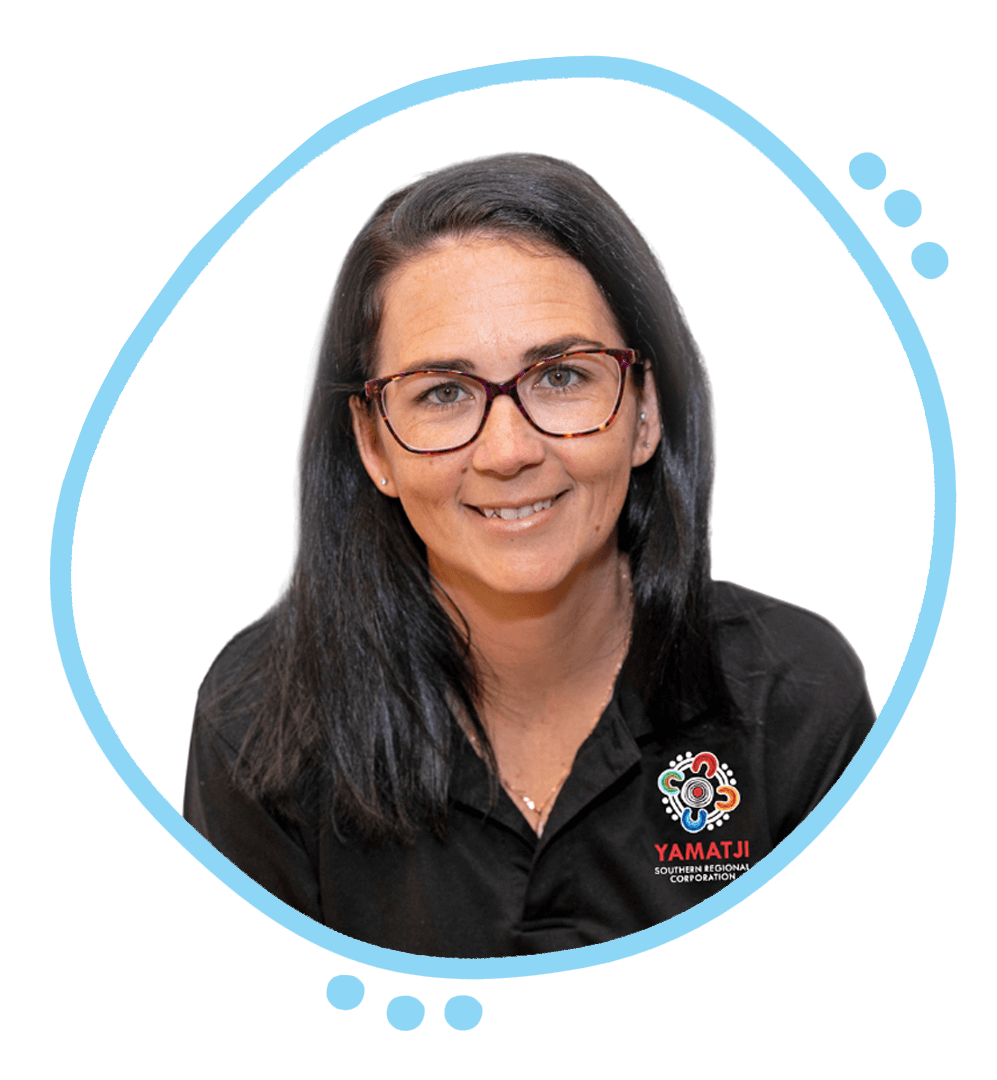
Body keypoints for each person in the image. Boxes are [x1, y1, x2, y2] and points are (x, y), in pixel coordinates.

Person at [184, 153, 875, 958]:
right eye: (442, 391)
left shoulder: (794, 699)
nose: (507, 450)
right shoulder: (259, 721)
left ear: (644, 411)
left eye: (561, 376)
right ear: (373, 444)